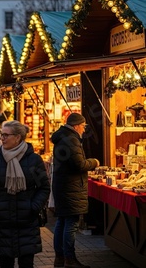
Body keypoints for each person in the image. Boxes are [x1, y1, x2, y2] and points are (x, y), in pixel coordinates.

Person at [0, 120, 50, 268]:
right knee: (5, 263)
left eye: (6, 135)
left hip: (27, 221)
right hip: (2, 221)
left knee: (27, 263)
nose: (2, 138)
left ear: (18, 137)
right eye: (2, 135)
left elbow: (43, 187)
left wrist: (33, 207)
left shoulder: (33, 160)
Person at [51, 113, 99, 268]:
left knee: (62, 221)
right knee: (71, 224)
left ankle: (60, 258)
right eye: (83, 126)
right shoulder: (71, 139)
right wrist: (94, 162)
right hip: (70, 188)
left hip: (63, 186)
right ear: (76, 125)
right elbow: (79, 164)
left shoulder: (63, 137)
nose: (84, 130)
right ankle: (69, 259)